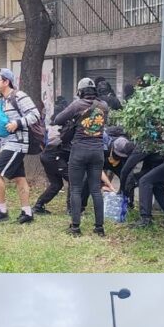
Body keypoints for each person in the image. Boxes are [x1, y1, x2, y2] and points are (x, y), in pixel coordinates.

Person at [53, 78, 109, 236]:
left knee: (76, 189)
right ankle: (99, 228)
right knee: (96, 191)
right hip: (98, 151)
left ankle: (75, 227)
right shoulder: (103, 106)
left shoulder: (77, 105)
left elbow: (58, 120)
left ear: (80, 91)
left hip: (79, 150)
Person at [0, 68, 40, 225]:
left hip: (17, 144)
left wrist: (17, 123)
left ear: (6, 82)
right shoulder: (1, 101)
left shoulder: (19, 96)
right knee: (19, 179)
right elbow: (0, 128)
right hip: (8, 143)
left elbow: (35, 115)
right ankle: (27, 213)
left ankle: (1, 210)